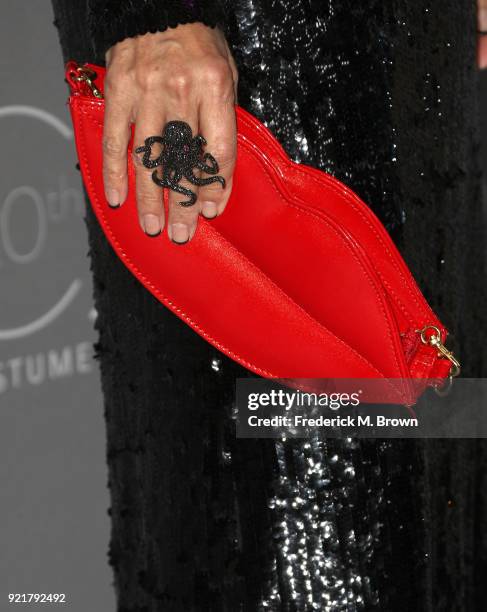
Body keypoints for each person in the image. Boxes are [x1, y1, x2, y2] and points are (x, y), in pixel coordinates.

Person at [52, 1, 487, 610]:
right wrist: (153, 17)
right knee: (287, 519)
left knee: (436, 471)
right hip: (251, 48)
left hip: (424, 55)